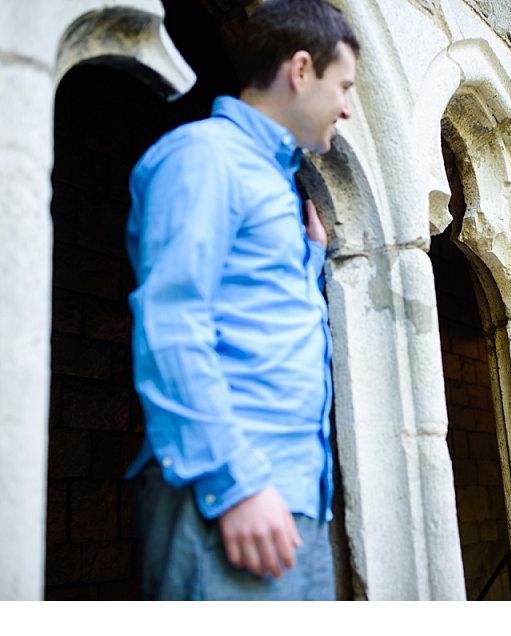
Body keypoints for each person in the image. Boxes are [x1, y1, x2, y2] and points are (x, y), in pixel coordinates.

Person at [124, 0, 359, 600]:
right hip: (229, 493)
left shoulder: (273, 182)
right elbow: (171, 323)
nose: (348, 107)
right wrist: (236, 484)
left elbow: (251, 317)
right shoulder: (204, 157)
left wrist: (308, 260)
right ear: (301, 70)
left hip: (291, 497)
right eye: (344, 86)